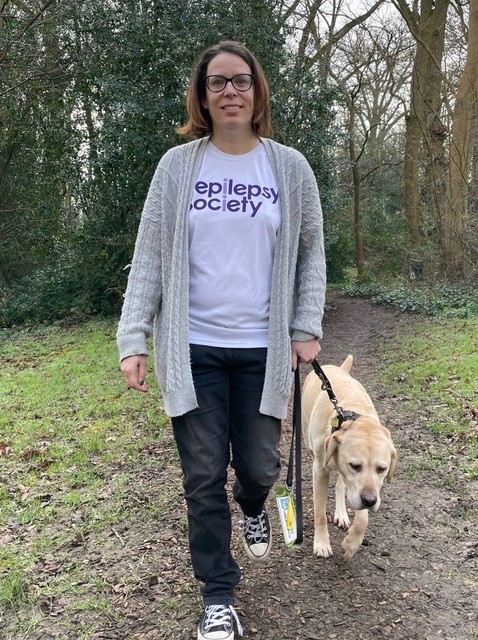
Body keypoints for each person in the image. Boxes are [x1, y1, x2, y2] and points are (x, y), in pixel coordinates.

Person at [117, 40, 326, 640]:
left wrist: (305, 327)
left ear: (257, 91)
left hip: (264, 350)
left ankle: (254, 505)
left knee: (259, 466)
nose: (230, 91)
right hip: (193, 351)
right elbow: (150, 256)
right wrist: (134, 336)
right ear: (202, 97)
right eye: (217, 83)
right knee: (203, 475)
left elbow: (311, 254)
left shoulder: (290, 167)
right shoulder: (176, 167)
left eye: (241, 81)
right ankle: (217, 595)